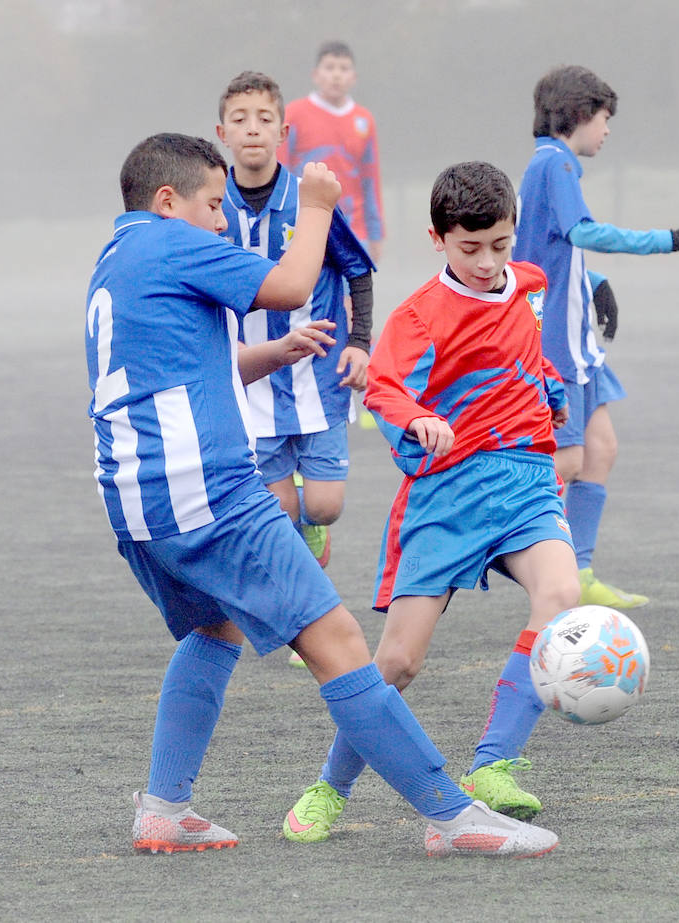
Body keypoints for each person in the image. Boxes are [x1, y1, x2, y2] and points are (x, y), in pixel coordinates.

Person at [87, 133, 557, 858]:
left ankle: (164, 808)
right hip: (205, 489)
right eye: (213, 205)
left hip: (137, 497)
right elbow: (289, 284)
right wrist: (314, 205)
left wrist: (275, 353)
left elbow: (195, 364)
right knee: (337, 640)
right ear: (166, 200)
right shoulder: (167, 240)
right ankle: (454, 815)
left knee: (214, 629)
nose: (220, 221)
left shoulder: (118, 257)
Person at [282, 161, 577, 844]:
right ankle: (331, 784)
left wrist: (551, 387)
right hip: (449, 492)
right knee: (396, 663)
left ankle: (492, 764)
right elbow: (383, 389)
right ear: (438, 239)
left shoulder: (526, 283)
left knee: (560, 594)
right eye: (469, 248)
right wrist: (416, 420)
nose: (487, 262)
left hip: (526, 480)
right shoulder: (418, 316)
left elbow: (526, 355)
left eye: (499, 245)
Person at [514, 65, 679, 611]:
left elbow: (548, 250)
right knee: (567, 462)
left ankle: (578, 571)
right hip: (556, 347)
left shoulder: (548, 165)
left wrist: (596, 284)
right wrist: (669, 239)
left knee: (600, 449)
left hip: (579, 344)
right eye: (604, 120)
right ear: (579, 115)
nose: (607, 131)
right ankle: (538, 566)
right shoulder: (555, 163)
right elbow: (583, 232)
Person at [216, 70, 375, 577]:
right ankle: (309, 612)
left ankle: (316, 528)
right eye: (240, 119)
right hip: (252, 383)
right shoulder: (212, 209)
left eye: (265, 118)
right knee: (277, 511)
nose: (253, 129)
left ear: (284, 132)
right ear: (223, 134)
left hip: (319, 376)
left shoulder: (313, 198)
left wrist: (360, 343)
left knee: (325, 506)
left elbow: (358, 269)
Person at [279, 40, 384, 263]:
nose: (336, 75)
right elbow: (281, 170)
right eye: (330, 68)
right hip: (304, 223)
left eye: (343, 69)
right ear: (316, 75)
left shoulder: (364, 120)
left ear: (353, 77)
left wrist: (376, 234)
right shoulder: (294, 114)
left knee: (352, 296)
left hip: (353, 229)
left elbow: (370, 180)